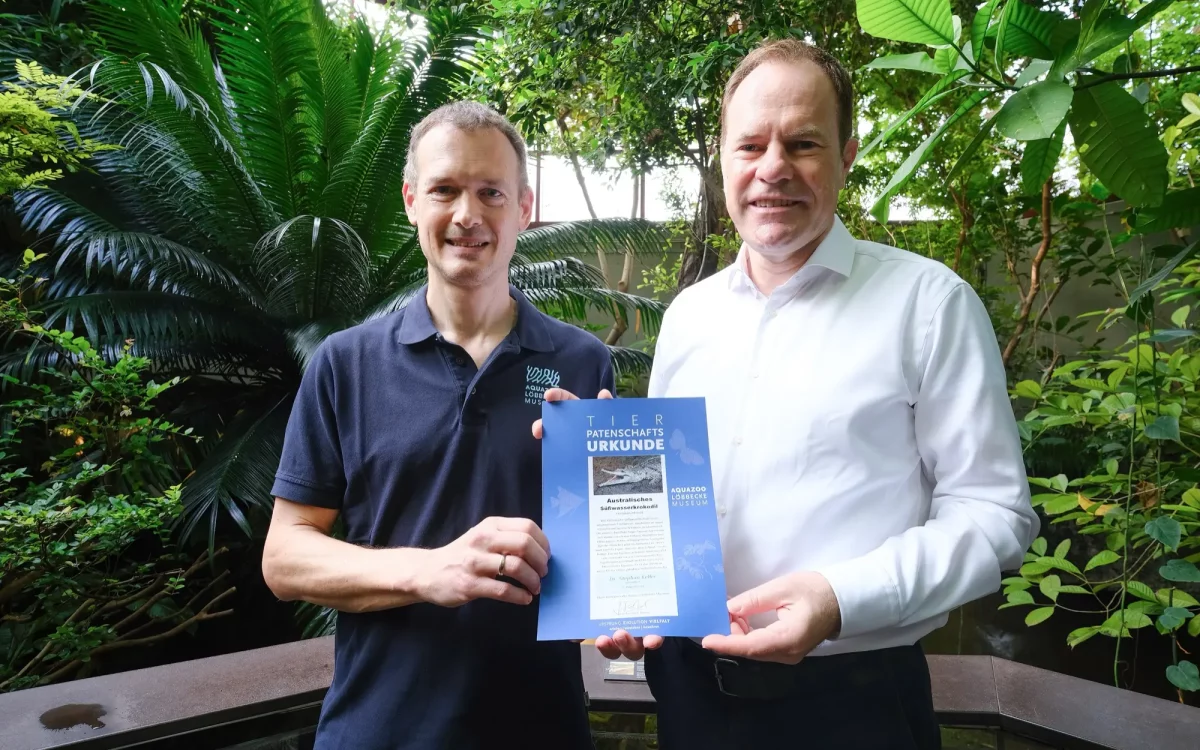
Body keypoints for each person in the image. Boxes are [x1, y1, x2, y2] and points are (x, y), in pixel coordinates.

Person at [535, 39, 1039, 749]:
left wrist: (839, 601)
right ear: (723, 159)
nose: (773, 168)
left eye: (802, 143)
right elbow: (676, 507)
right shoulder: (690, 315)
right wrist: (612, 483)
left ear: (847, 154)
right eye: (750, 146)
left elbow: (995, 516)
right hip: (691, 694)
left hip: (852, 705)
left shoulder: (928, 304)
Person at [262, 101, 613, 750]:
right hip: (381, 730)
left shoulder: (583, 361)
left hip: (543, 729)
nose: (467, 215)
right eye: (445, 189)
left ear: (524, 209)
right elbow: (285, 557)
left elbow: (606, 560)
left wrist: (616, 493)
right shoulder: (344, 364)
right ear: (410, 201)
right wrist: (429, 571)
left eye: (491, 193)